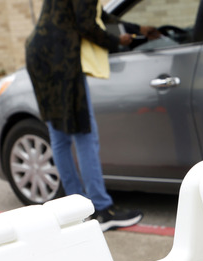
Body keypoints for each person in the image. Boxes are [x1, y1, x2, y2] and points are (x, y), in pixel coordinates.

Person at [25, 0, 158, 231]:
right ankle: (102, 209)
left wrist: (136, 28)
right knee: (85, 135)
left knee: (60, 138)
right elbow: (87, 24)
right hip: (62, 60)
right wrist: (117, 41)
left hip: (40, 55)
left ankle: (76, 212)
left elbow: (100, 16)